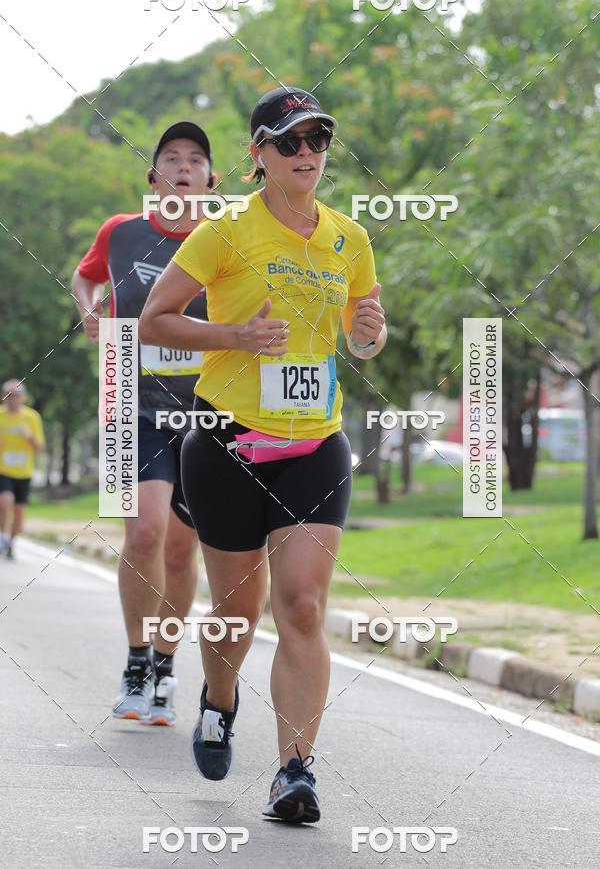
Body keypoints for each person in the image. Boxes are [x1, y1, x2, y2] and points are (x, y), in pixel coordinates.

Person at [139, 87, 386, 823]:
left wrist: (370, 331)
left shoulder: (350, 238)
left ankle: (295, 771)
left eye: (317, 140)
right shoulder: (224, 233)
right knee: (236, 611)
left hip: (314, 444)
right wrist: (235, 338)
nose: (306, 154)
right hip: (226, 443)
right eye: (289, 142)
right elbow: (156, 324)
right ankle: (218, 701)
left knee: (303, 605)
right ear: (258, 156)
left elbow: (361, 338)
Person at [72, 122, 216, 727]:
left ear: (213, 180)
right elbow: (87, 276)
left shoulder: (228, 239)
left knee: (183, 554)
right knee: (144, 533)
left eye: (195, 160)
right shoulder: (121, 234)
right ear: (153, 178)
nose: (182, 168)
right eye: (170, 160)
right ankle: (136, 661)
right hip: (134, 404)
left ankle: (163, 661)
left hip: (210, 411)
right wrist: (88, 312)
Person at [0, 380, 45, 560]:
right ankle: (2, 535)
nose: (11, 399)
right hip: (3, 469)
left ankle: (10, 542)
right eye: (8, 395)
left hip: (24, 472)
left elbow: (39, 448)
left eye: (15, 395)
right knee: (4, 502)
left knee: (19, 516)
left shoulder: (32, 417)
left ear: (23, 398)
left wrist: (29, 438)